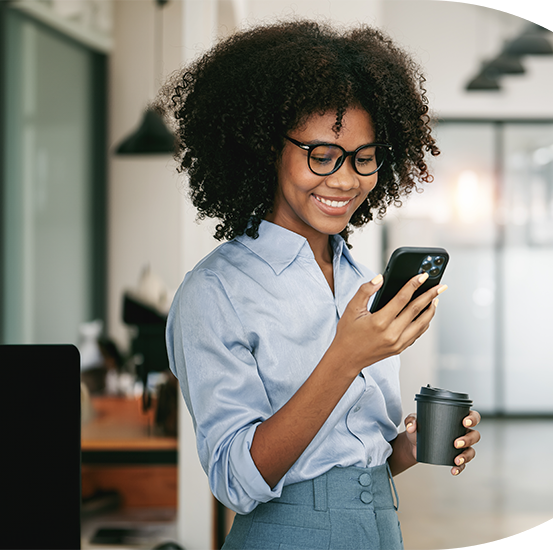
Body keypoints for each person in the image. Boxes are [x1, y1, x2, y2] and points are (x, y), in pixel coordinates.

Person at [161, 20, 481, 550]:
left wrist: (406, 447)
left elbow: (341, 462)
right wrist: (346, 357)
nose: (347, 180)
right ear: (268, 148)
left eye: (364, 157)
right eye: (323, 156)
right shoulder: (215, 293)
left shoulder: (358, 279)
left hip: (379, 531)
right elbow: (236, 481)